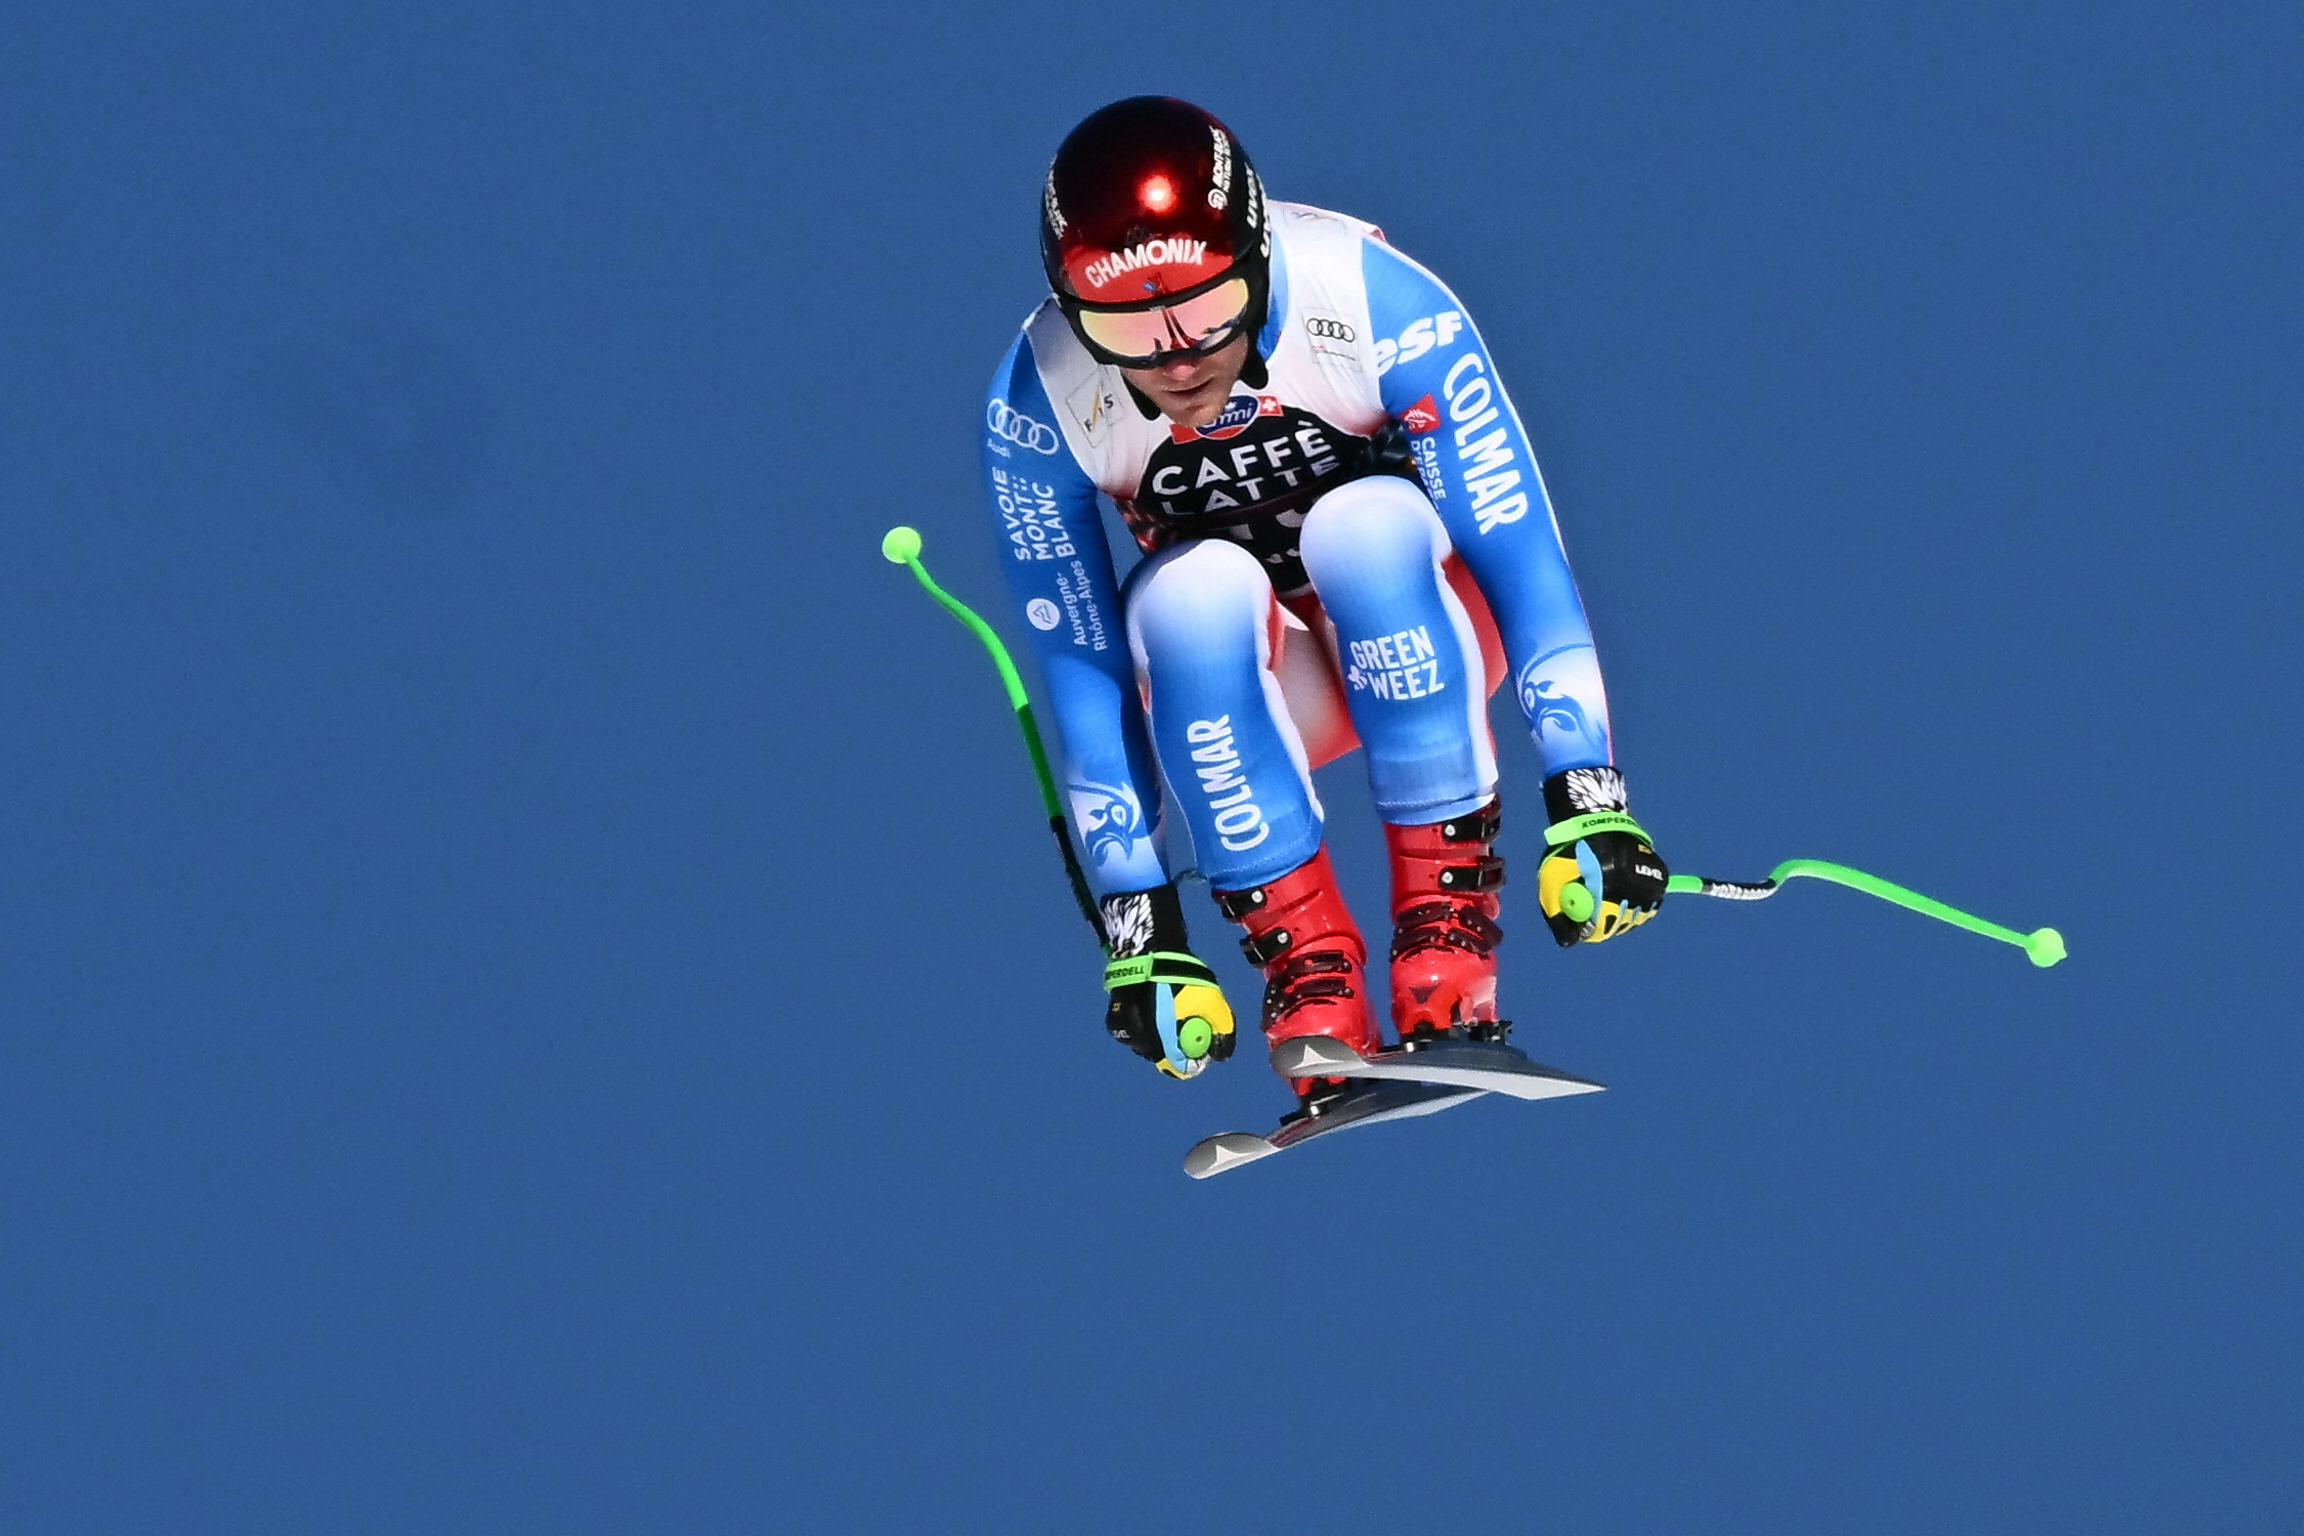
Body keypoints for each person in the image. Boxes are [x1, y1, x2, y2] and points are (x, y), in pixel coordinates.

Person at [980, 96, 1669, 1118]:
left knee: (1367, 523)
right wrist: (1142, 931)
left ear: (1256, 257)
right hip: (1265, 688)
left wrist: (1589, 792)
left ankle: (1448, 946)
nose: (1176, 356)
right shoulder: (1041, 404)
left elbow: (1520, 555)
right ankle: (1311, 982)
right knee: (1183, 600)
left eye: (1210, 309)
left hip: (1426, 625)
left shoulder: (1373, 298)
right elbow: (1085, 678)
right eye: (1125, 325)